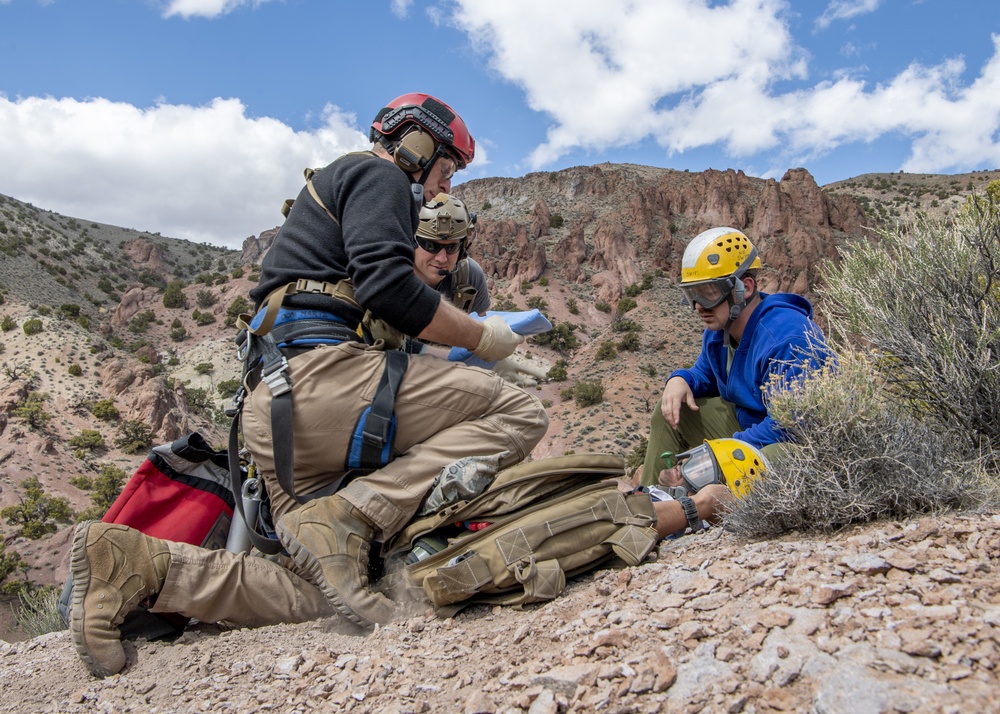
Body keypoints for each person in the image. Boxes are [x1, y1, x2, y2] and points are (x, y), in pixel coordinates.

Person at [70, 92, 549, 678]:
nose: (439, 187)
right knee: (521, 414)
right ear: (419, 144)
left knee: (323, 590)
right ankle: (351, 514)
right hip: (323, 382)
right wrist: (481, 339)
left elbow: (380, 309)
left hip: (277, 408)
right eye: (445, 169)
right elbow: (389, 288)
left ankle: (139, 565)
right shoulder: (380, 175)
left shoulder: (334, 187)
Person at [640, 227, 829, 487]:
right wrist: (681, 379)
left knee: (771, 458)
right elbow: (705, 374)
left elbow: (794, 424)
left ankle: (703, 507)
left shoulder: (787, 338)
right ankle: (652, 510)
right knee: (671, 410)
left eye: (707, 293)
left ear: (745, 288)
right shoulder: (721, 331)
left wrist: (713, 457)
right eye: (691, 295)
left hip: (800, 446)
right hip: (748, 426)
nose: (698, 307)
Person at [639, 437, 768, 538]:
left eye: (702, 469)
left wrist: (706, 502)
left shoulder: (675, 523)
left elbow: (632, 523)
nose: (681, 464)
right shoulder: (654, 493)